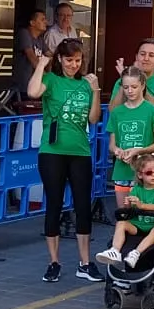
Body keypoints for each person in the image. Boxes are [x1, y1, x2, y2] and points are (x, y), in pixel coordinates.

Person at [27, 39, 99, 282]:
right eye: (69, 60)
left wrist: (96, 89)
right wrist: (41, 66)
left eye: (78, 60)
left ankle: (85, 263)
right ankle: (54, 261)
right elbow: (32, 92)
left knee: (82, 207)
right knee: (54, 204)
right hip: (52, 150)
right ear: (60, 59)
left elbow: (93, 118)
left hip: (80, 151)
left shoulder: (86, 83)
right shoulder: (52, 80)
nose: (73, 65)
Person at [97, 153, 154, 271]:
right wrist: (128, 204)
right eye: (149, 173)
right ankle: (115, 251)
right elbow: (130, 209)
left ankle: (136, 253)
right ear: (140, 175)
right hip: (139, 223)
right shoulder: (136, 189)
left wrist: (141, 205)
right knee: (121, 223)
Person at [105, 68, 154, 207]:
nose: (130, 91)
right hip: (122, 170)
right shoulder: (117, 112)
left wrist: (138, 151)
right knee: (123, 214)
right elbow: (112, 144)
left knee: (141, 214)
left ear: (143, 86)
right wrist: (117, 151)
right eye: (126, 87)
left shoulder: (152, 110)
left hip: (145, 171)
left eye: (134, 87)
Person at [12, 9, 49, 103]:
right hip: (24, 86)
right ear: (32, 23)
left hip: (35, 85)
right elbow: (32, 58)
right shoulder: (24, 33)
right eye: (42, 19)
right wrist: (48, 78)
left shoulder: (40, 39)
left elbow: (50, 54)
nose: (46, 22)